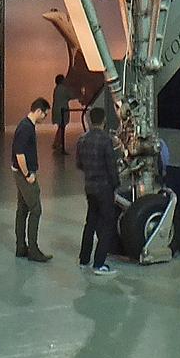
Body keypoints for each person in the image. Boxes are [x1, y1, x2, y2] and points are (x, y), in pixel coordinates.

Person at [75, 105, 119, 275]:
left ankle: (84, 259)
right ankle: (99, 263)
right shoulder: (106, 140)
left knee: (90, 223)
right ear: (104, 121)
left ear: (90, 120)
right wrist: (115, 185)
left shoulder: (82, 140)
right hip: (104, 188)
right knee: (107, 225)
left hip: (89, 188)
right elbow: (111, 166)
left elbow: (79, 164)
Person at [12, 97, 52, 261]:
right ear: (38, 111)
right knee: (35, 209)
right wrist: (28, 174)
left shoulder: (25, 126)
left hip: (20, 173)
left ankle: (21, 247)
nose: (45, 117)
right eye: (45, 114)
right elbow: (19, 154)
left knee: (22, 209)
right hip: (24, 175)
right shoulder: (26, 128)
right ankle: (33, 250)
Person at [51, 74, 73, 154]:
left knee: (60, 127)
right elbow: (71, 96)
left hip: (57, 110)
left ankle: (57, 143)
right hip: (62, 111)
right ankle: (59, 144)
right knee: (61, 127)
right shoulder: (64, 89)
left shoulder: (56, 89)